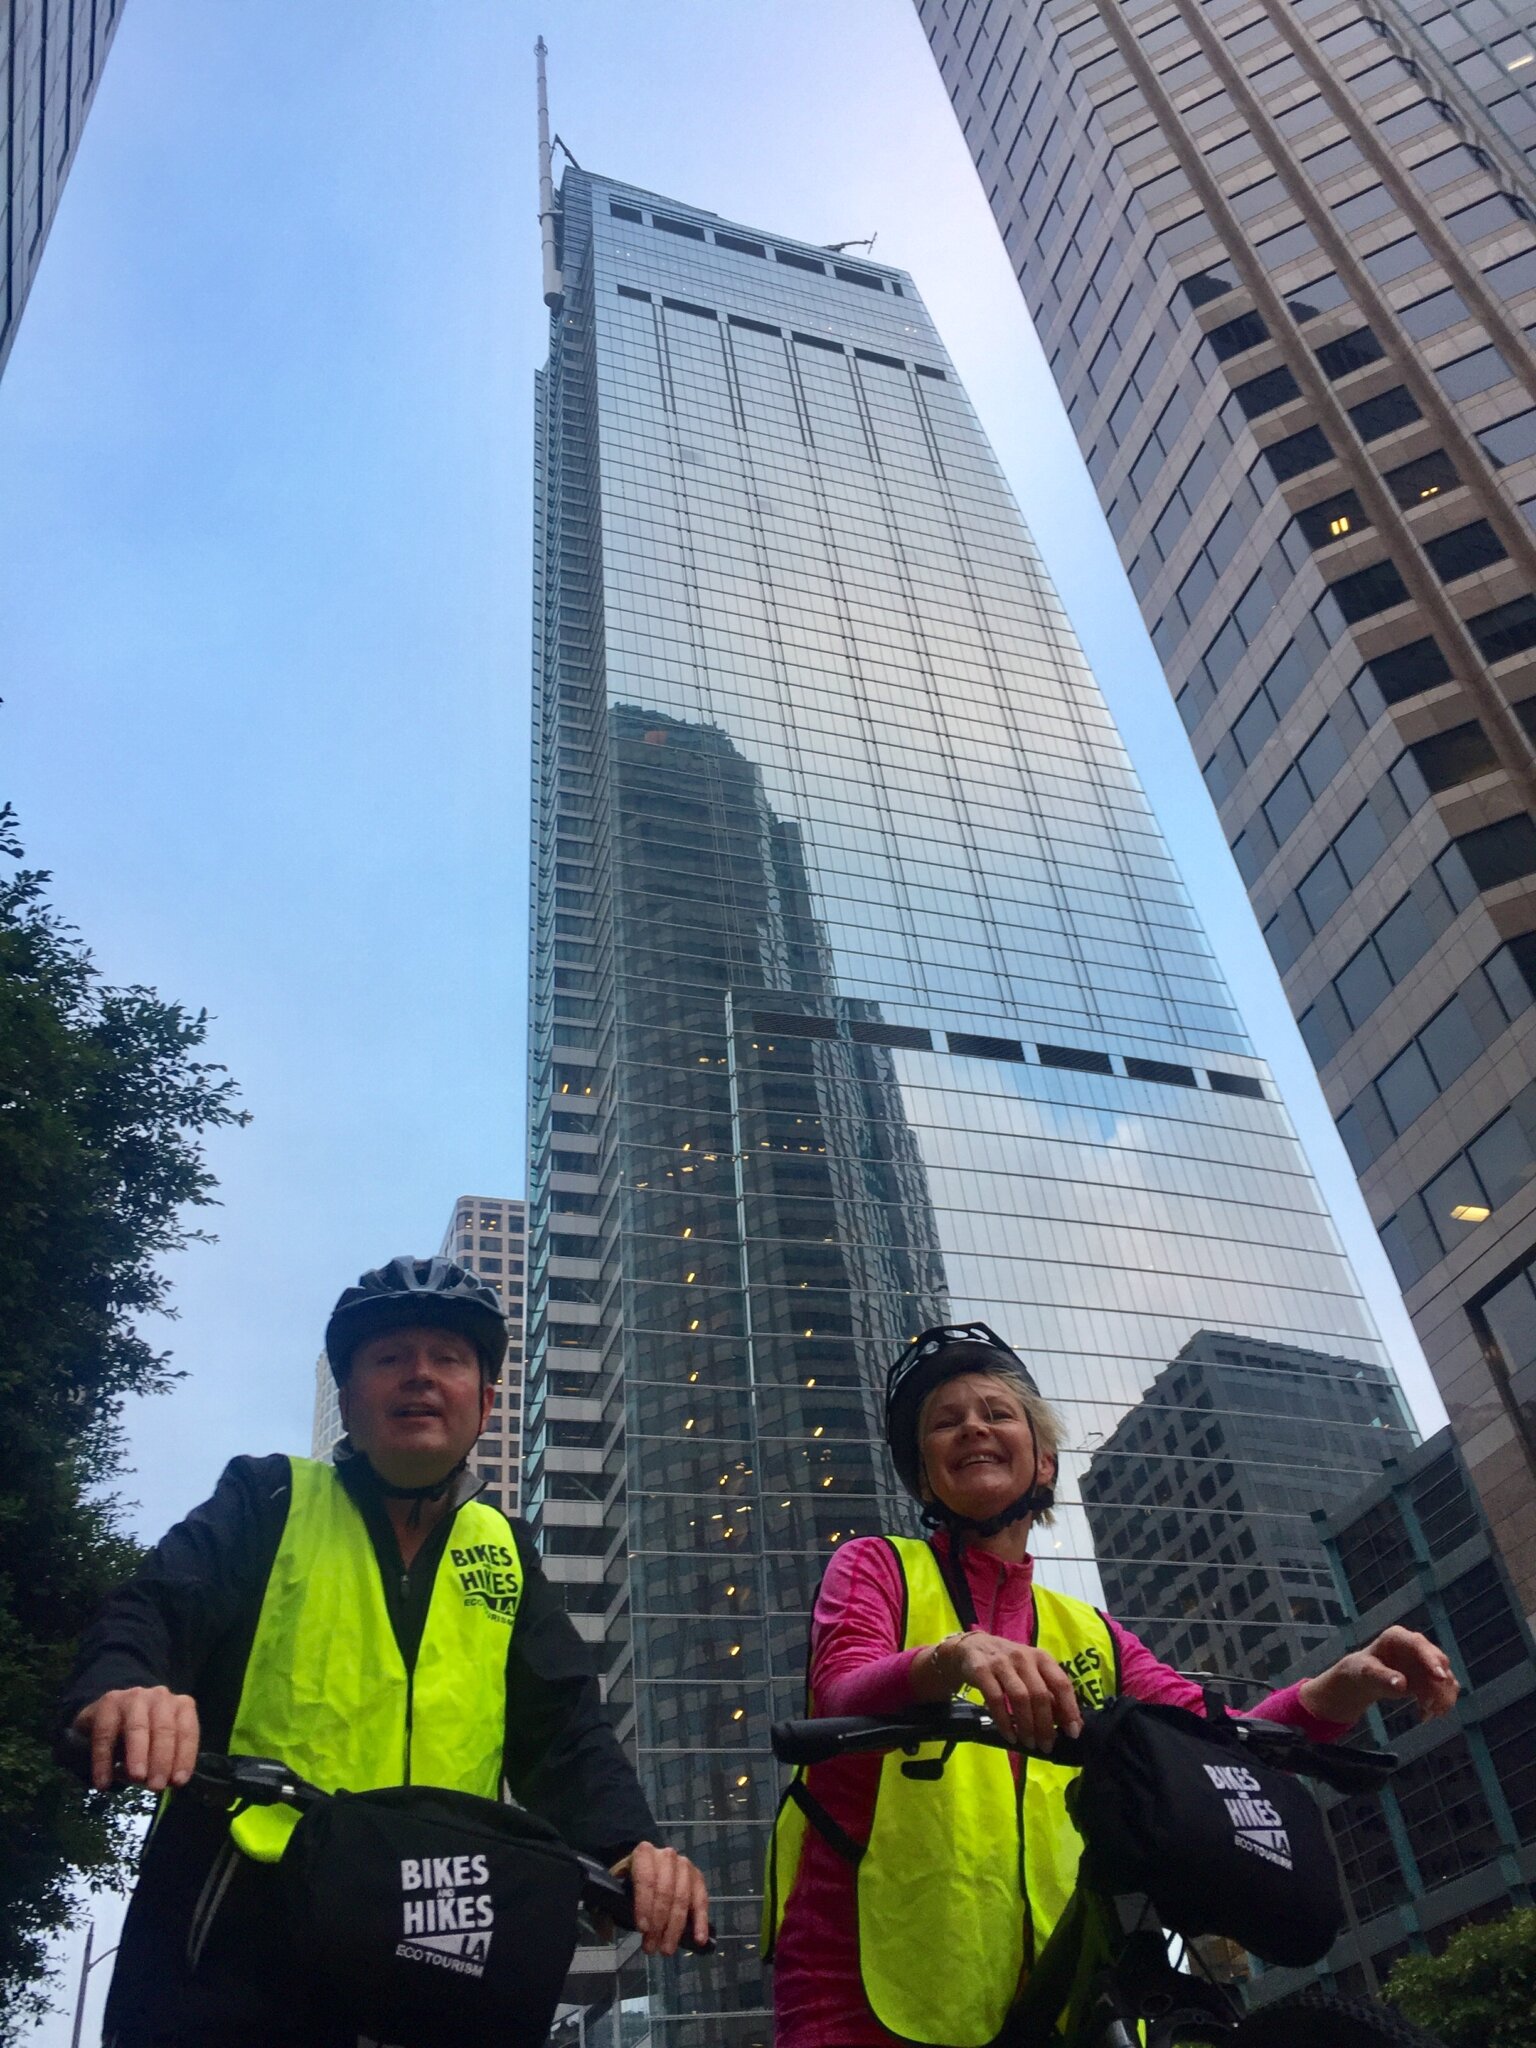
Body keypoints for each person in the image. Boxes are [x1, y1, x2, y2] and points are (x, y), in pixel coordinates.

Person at [62, 1256, 709, 2047]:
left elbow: (566, 1730)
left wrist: (630, 1846)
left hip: (431, 1925)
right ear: (348, 1399)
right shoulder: (270, 1498)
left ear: (488, 1402)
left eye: (449, 1359)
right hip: (242, 1918)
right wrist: (127, 1685)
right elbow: (155, 1607)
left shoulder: (502, 1548)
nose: (420, 1377)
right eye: (390, 1358)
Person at [764, 1323, 1460, 2048]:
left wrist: (1338, 1688)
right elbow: (842, 1686)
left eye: (998, 1413)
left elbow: (1212, 1734)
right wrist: (955, 1657)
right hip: (863, 1973)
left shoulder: (1089, 1631)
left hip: (1054, 1982)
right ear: (925, 1472)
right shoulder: (878, 1567)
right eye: (946, 1422)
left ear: (1044, 1462)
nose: (973, 1426)